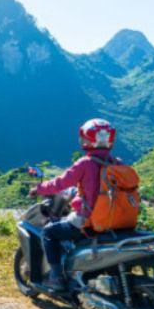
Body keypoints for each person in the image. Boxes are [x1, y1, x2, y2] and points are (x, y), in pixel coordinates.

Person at [28, 118, 117, 291]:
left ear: (86, 139)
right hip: (114, 220)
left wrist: (38, 188)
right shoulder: (116, 163)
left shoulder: (85, 163)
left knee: (48, 232)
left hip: (88, 220)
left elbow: (60, 183)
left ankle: (56, 278)